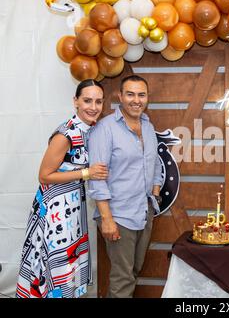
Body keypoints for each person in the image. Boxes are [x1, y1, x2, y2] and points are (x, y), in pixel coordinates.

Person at [16, 79, 108, 298]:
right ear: (75, 101)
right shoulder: (64, 134)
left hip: (73, 208)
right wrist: (87, 173)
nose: (93, 107)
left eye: (98, 101)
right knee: (53, 267)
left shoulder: (91, 129)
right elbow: (44, 175)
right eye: (87, 100)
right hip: (54, 211)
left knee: (70, 264)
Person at [88, 75, 163, 298]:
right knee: (122, 278)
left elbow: (154, 163)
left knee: (132, 272)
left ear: (147, 98)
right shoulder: (105, 129)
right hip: (117, 215)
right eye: (130, 94)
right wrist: (107, 219)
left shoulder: (148, 126)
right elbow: (97, 178)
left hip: (143, 211)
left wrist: (155, 194)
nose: (136, 100)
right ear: (120, 96)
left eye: (141, 95)